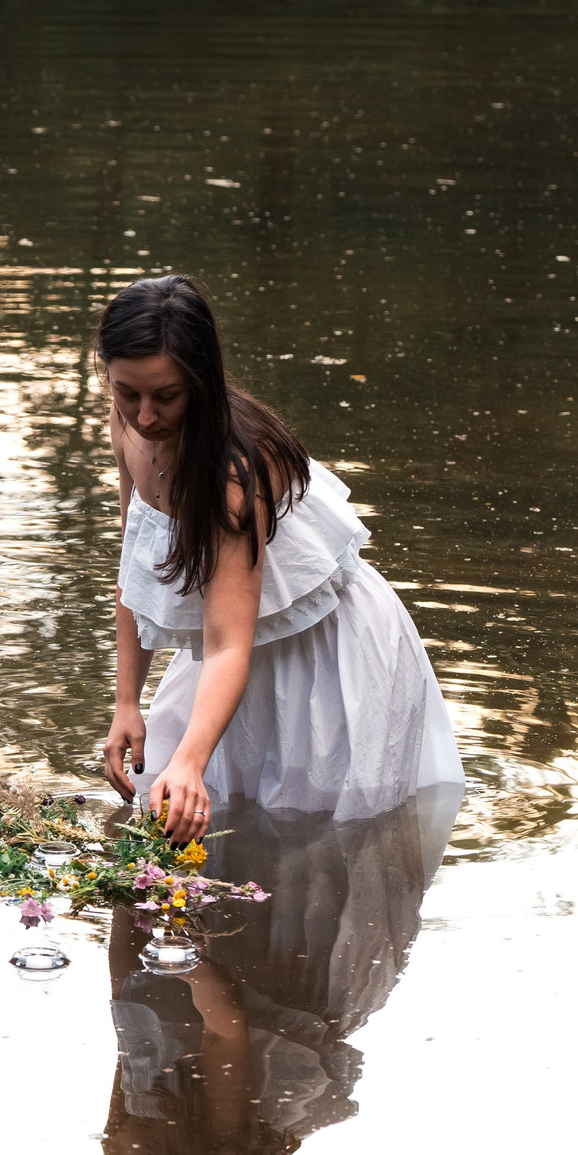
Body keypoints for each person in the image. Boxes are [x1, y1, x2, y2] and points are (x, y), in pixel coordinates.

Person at [94, 786, 456, 1155]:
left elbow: (127, 1019)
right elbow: (227, 1033)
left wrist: (122, 904)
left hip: (193, 981)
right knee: (325, 841)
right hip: (270, 986)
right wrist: (187, 959)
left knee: (217, 825)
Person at [98, 275, 464, 826]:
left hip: (321, 648)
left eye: (166, 396)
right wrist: (127, 702)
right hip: (232, 636)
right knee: (195, 811)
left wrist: (191, 762)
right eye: (128, 392)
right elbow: (136, 564)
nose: (145, 416)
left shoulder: (232, 475)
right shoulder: (127, 427)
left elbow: (226, 646)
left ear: (201, 383)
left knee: (310, 828)